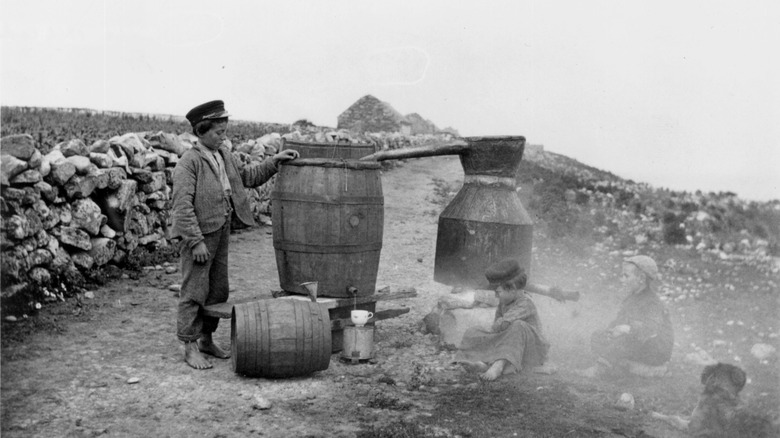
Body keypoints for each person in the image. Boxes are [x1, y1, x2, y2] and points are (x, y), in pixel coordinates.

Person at [171, 100, 299, 370]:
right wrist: (195, 241)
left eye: (225, 131)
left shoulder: (224, 155)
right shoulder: (188, 163)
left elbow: (248, 177)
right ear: (201, 131)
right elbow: (181, 207)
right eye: (219, 132)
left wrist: (274, 162)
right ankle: (189, 346)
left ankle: (206, 339)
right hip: (200, 236)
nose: (223, 136)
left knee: (218, 289)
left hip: (221, 230)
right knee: (194, 290)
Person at [454, 259, 550, 381]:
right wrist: (488, 335)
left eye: (498, 292)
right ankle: (481, 361)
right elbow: (496, 326)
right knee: (474, 331)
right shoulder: (504, 303)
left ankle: (498, 366)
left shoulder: (526, 303)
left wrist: (496, 331)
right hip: (511, 347)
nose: (496, 295)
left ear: (512, 289)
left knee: (518, 326)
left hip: (532, 352)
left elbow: (504, 323)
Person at [578, 255, 674, 378]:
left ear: (641, 278)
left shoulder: (652, 302)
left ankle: (601, 369)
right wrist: (611, 331)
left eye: (626, 276)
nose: (622, 279)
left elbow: (651, 329)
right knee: (599, 336)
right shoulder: (631, 299)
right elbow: (619, 319)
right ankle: (626, 365)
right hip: (638, 343)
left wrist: (626, 329)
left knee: (626, 341)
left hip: (656, 349)